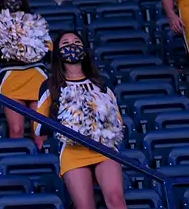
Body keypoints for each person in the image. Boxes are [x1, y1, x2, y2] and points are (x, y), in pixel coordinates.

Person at [32, 31, 127, 209]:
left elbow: (118, 122)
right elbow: (38, 127)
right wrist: (66, 126)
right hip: (73, 152)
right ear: (58, 52)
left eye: (76, 42)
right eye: (65, 43)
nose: (72, 46)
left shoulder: (100, 84)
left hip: (104, 149)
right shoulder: (50, 85)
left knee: (116, 199)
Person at [0, 0, 52, 139]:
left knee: (40, 132)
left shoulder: (37, 22)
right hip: (11, 81)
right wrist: (7, 46)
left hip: (37, 79)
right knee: (16, 130)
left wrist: (30, 44)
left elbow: (51, 56)